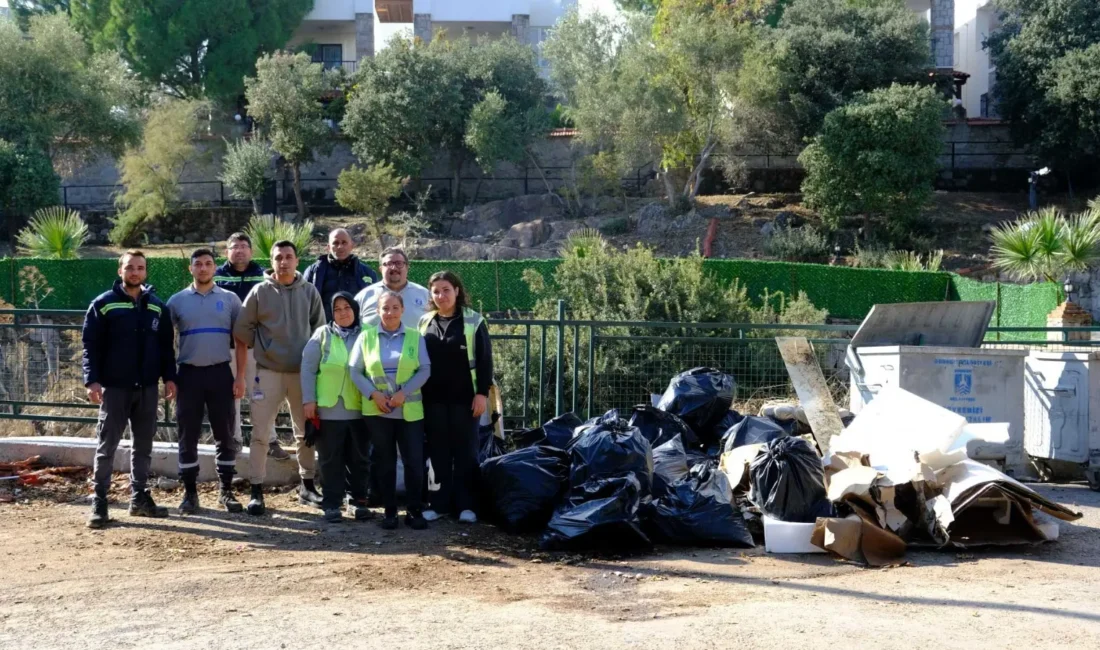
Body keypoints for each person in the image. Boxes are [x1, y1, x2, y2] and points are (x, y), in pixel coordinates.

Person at [81, 250, 178, 528]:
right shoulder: (104, 304)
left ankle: (139, 498)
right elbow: (90, 346)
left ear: (145, 271)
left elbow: (165, 349)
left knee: (143, 446)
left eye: (140, 267)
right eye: (129, 267)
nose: (135, 272)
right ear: (120, 270)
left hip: (147, 388)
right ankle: (99, 502)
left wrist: (169, 377)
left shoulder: (157, 306)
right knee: (106, 446)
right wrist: (92, 380)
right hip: (114, 388)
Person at [233, 240, 325, 515]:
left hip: (301, 375)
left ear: (297, 261)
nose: (283, 262)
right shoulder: (259, 292)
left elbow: (319, 331)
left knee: (305, 432)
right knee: (260, 434)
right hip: (268, 373)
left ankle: (307, 486)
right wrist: (265, 347)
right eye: (278, 258)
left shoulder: (309, 291)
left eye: (288, 257)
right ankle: (257, 490)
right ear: (271, 262)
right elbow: (242, 327)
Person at [166, 248, 245, 514]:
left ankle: (226, 491)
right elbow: (165, 343)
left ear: (215, 268)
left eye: (208, 263)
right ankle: (190, 494)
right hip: (188, 376)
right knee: (187, 435)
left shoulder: (230, 299)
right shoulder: (176, 302)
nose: (203, 268)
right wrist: (169, 378)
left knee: (225, 434)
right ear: (190, 269)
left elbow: (242, 341)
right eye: (197, 264)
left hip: (221, 373)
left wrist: (241, 377)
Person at [350, 291, 431, 530]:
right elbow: (355, 370)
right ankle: (390, 511)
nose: (390, 312)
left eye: (395, 307)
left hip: (409, 411)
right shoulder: (366, 338)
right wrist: (374, 395)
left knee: (414, 462)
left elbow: (425, 369)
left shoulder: (415, 337)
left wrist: (402, 394)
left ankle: (414, 510)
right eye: (385, 308)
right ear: (378, 311)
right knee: (384, 462)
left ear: (403, 310)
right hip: (378, 411)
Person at [418, 271, 493, 524]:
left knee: (466, 453)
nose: (441, 296)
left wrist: (481, 394)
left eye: (446, 290)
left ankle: (467, 506)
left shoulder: (474, 321)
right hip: (433, 401)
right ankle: (438, 504)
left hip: (465, 400)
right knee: (437, 452)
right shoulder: (425, 321)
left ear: (457, 291)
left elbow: (485, 361)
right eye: (436, 291)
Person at [214, 232, 288, 461]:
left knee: (261, 397)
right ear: (227, 251)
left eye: (244, 246)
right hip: (226, 349)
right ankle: (234, 441)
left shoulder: (263, 276)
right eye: (235, 246)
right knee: (231, 397)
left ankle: (271, 440)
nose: (240, 250)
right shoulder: (216, 277)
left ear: (251, 251)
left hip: (258, 350)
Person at [300, 292, 372, 523]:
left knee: (359, 458)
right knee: (331, 460)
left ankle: (357, 501)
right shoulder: (322, 334)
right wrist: (309, 400)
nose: (343, 313)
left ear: (355, 309)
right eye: (337, 309)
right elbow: (308, 369)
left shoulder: (368, 334)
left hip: (361, 408)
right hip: (328, 409)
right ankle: (332, 503)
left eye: (347, 308)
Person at [303, 228, 380, 321]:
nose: (340, 246)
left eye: (344, 242)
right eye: (335, 243)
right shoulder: (314, 271)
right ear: (328, 247)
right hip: (325, 329)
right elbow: (304, 303)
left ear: (352, 245)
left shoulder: (368, 273)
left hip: (358, 331)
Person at [355, 248, 429, 329]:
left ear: (407, 267)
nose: (394, 268)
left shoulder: (425, 295)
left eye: (399, 263)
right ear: (381, 269)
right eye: (389, 264)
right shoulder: (364, 296)